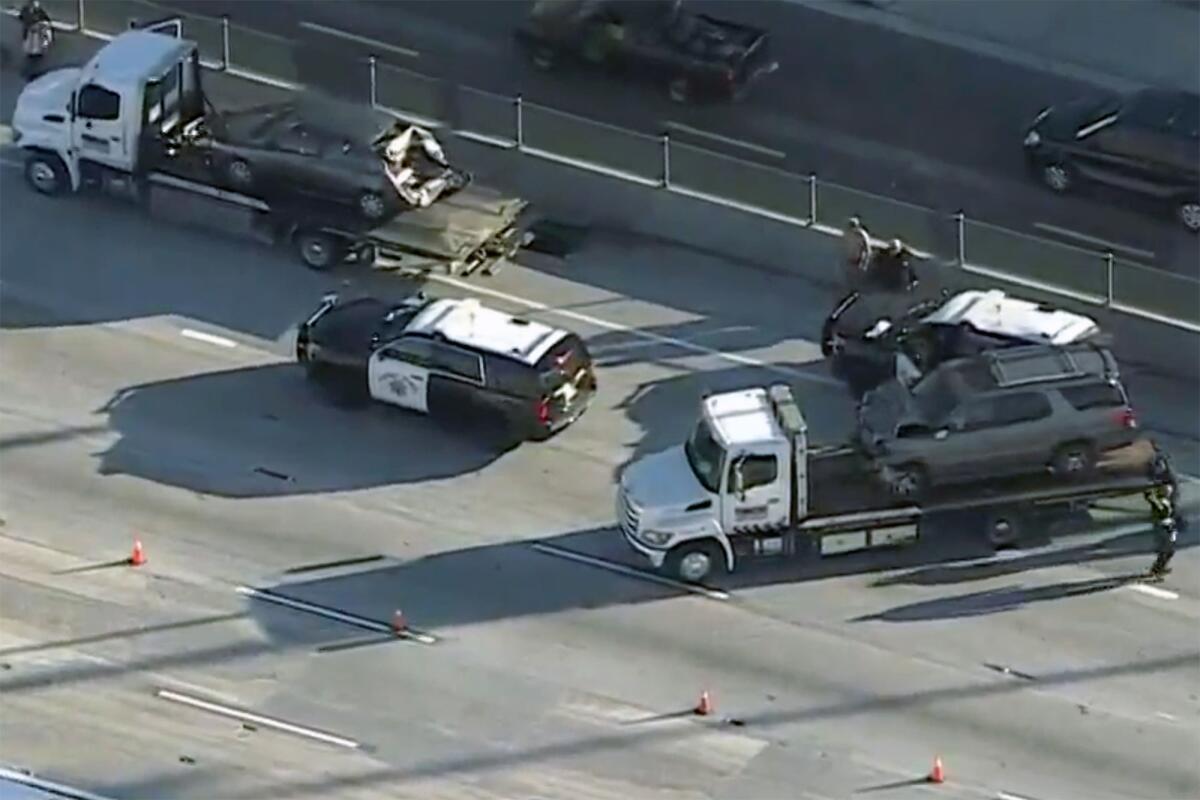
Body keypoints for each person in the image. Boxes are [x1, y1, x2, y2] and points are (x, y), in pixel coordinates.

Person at [1144, 450, 1180, 580]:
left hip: (1168, 525)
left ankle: (1158, 568)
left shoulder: (1165, 500)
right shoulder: (1160, 502)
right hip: (1163, 526)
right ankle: (1156, 570)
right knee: (1166, 549)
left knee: (1169, 548)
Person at [18, 0, 52, 79]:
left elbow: (46, 19)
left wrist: (41, 24)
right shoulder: (26, 10)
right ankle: (30, 72)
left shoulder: (38, 11)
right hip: (31, 35)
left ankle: (33, 72)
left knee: (36, 55)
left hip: (37, 35)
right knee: (31, 54)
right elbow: (22, 18)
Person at [841, 216, 872, 289]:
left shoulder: (862, 234)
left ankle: (857, 288)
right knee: (849, 273)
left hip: (860, 258)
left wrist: (865, 261)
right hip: (851, 256)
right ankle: (849, 287)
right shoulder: (847, 233)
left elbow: (867, 248)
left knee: (858, 274)